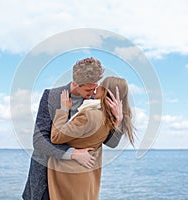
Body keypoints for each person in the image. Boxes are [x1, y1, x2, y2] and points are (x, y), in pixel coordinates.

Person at [22, 58, 124, 200]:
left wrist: (117, 121)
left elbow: (111, 143)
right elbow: (39, 141)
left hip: (77, 182)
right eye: (88, 89)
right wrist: (73, 154)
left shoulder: (95, 102)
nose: (92, 92)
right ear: (75, 84)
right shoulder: (51, 97)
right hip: (45, 176)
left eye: (95, 87)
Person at [47, 77, 134, 200]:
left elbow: (56, 137)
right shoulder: (109, 119)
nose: (97, 87)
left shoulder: (89, 115)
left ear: (106, 91)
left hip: (70, 177)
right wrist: (118, 122)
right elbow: (112, 143)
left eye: (101, 85)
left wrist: (63, 110)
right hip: (88, 175)